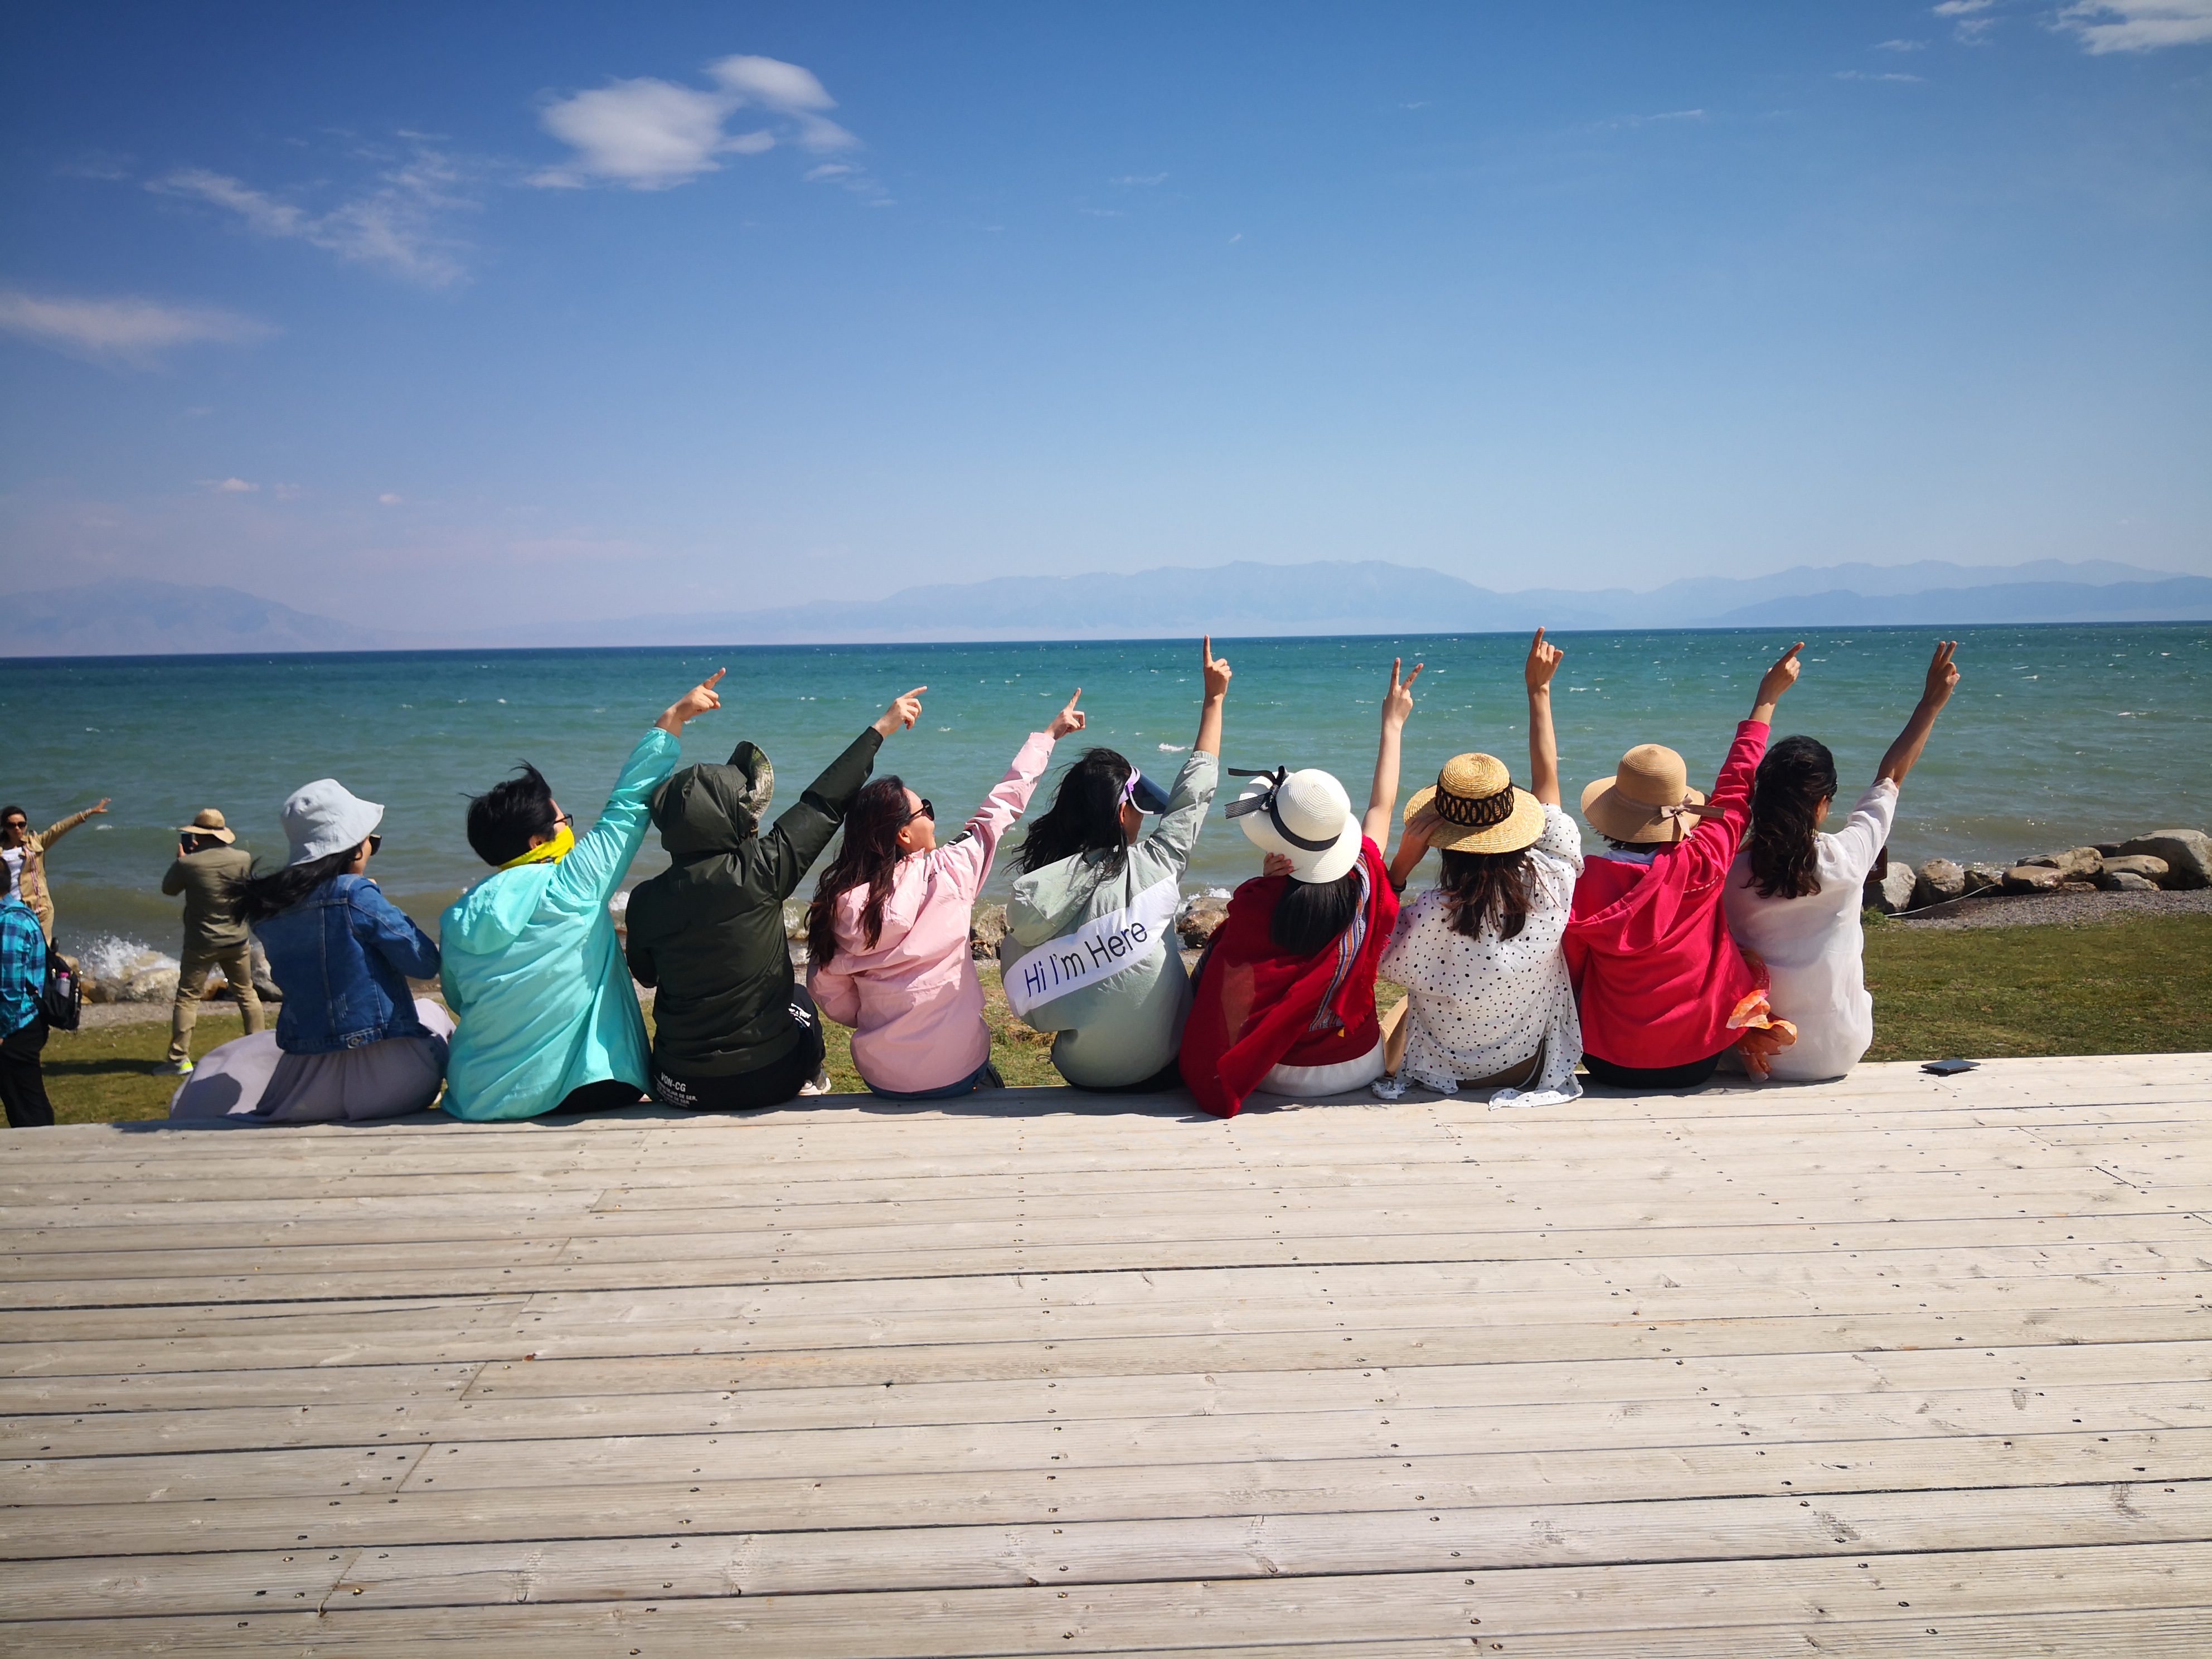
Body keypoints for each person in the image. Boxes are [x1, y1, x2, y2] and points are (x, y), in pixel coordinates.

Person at [625, 685, 927, 1110]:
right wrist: (881, 728)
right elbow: (823, 805)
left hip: (678, 1085)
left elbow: (647, 975)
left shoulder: (644, 901)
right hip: (766, 1080)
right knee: (800, 1001)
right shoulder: (762, 870)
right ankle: (811, 1079)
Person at [440, 673, 726, 1120]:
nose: (569, 828)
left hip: (483, 1098)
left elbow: (458, 1000)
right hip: (593, 1088)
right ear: (538, 842)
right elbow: (628, 805)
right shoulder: (572, 882)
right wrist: (673, 719)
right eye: (563, 822)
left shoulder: (458, 916)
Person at [810, 690, 1088, 1099]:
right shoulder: (951, 870)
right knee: (982, 1074)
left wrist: (880, 1016)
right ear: (905, 835)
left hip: (883, 1075)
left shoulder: (843, 903)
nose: (930, 814)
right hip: (957, 1068)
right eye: (924, 809)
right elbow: (1002, 805)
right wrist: (1048, 736)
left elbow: (830, 993)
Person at [1177, 657, 1419, 1117]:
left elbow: (1232, 987)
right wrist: (1393, 723)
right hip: (1356, 1063)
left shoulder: (1258, 902)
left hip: (1275, 1070)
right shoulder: (1367, 874)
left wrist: (1267, 886)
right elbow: (1381, 807)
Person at [1563, 642, 1805, 1091]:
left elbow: (1572, 968)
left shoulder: (1587, 881)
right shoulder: (1705, 858)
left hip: (1607, 1058)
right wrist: (1766, 700)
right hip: (1696, 1059)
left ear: (1612, 813)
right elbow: (1737, 785)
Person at [1724, 641, 1961, 1081]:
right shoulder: (1848, 857)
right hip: (1839, 1051)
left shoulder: (1728, 869)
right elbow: (1891, 777)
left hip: (1750, 1054)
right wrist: (1930, 704)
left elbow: (1734, 784)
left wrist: (1766, 698)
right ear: (1823, 804)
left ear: (1760, 799)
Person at [1001, 639, 1231, 1092]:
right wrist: (1214, 700)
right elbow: (1195, 791)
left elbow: (1032, 1008)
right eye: (1140, 808)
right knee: (1216, 954)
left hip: (1084, 1073)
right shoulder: (1156, 862)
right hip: (1165, 1066)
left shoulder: (1038, 893)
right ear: (1124, 811)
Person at [1373, 628, 1584, 1105]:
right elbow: (1548, 785)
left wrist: (1400, 867)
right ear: (1515, 821)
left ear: (1441, 839)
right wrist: (1539, 691)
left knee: (1404, 1006)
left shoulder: (1434, 912)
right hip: (1528, 1064)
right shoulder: (1554, 879)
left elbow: (1375, 950)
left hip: (1444, 1072)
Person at [172, 780, 449, 1123]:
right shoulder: (356, 894)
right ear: (354, 849)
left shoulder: (269, 909)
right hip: (389, 1086)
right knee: (432, 1012)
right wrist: (379, 903)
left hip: (304, 1090)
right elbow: (424, 963)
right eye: (371, 842)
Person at [159, 808, 264, 1078]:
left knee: (188, 998)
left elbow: (169, 889)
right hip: (237, 939)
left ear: (199, 834)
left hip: (201, 942)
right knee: (247, 993)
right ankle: (259, 1051)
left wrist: (180, 861)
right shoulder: (243, 858)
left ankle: (179, 1060)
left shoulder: (189, 864)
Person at [0, 851, 55, 1127]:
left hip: (16, 1025)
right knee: (27, 1099)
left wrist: (2, 1031)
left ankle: (43, 1149)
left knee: (24, 1106)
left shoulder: (9, 923)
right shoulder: (21, 914)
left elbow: (10, 987)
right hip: (27, 1019)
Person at [2, 798, 108, 940]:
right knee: (15, 948)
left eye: (21, 825)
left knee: (43, 949)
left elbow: (59, 828)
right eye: (12, 825)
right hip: (10, 909)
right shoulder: (2, 852)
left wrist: (89, 813)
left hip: (39, 907)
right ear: (4, 827)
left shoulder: (36, 844)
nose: (17, 829)